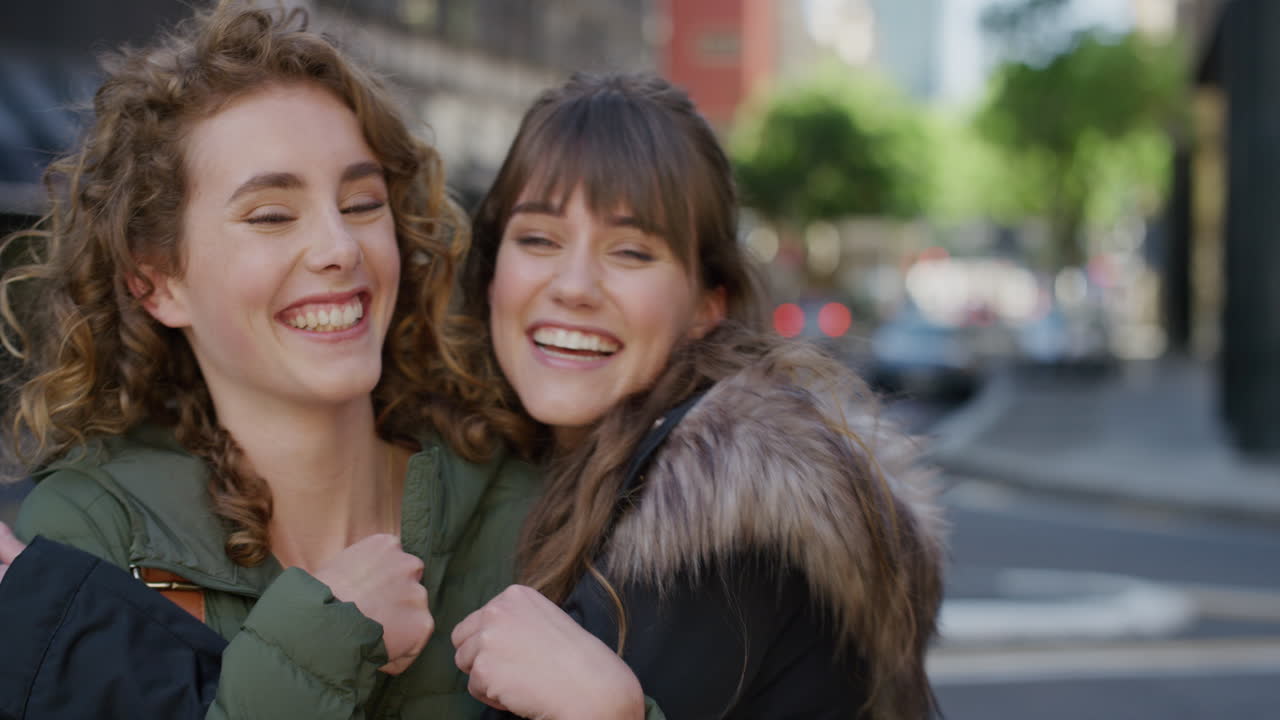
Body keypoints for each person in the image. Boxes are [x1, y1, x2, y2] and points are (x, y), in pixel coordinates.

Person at [0, 3, 542, 718]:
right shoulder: (85, 540)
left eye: (361, 202)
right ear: (157, 280)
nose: (339, 248)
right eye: (271, 215)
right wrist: (324, 638)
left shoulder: (531, 512)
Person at [448, 72, 947, 719]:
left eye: (629, 251)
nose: (573, 285)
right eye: (538, 239)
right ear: (491, 272)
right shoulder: (519, 469)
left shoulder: (713, 535)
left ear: (705, 306)